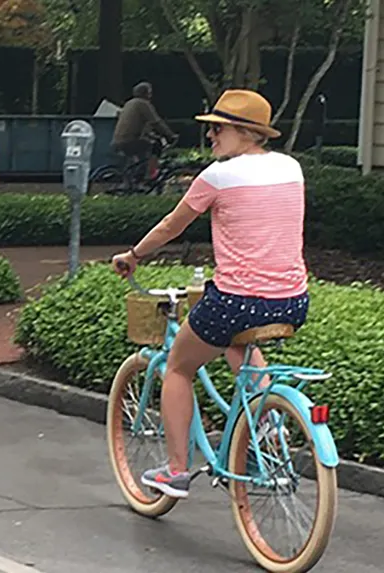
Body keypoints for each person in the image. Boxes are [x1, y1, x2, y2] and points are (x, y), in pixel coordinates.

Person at [111, 89, 309, 499]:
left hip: (237, 300)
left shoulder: (218, 177)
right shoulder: (291, 168)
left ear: (245, 132)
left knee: (180, 368)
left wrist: (133, 255)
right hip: (292, 299)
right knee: (238, 341)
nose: (212, 137)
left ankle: (176, 470)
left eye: (218, 129)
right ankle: (267, 422)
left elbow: (171, 226)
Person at [111, 82, 178, 179]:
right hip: (129, 141)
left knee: (141, 152)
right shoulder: (143, 104)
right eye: (149, 92)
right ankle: (151, 174)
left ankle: (135, 176)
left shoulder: (129, 103)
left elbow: (135, 125)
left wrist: (151, 135)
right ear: (146, 93)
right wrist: (170, 135)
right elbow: (157, 122)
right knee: (156, 145)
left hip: (118, 141)